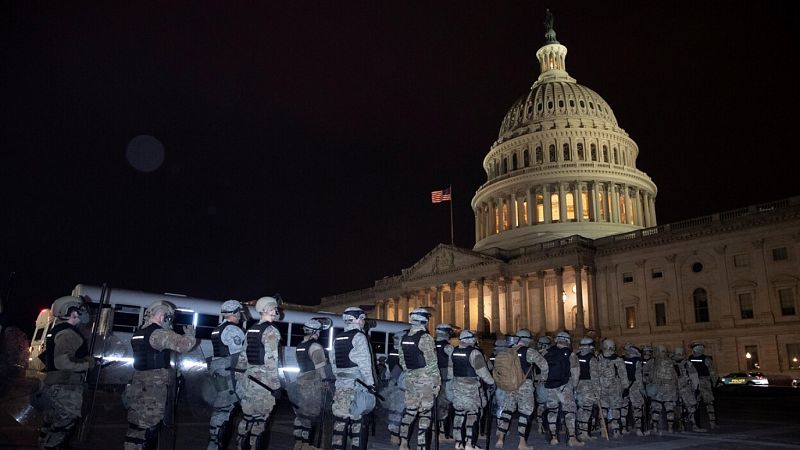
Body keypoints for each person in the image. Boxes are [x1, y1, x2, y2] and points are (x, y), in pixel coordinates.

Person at [124, 300, 197, 450]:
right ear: (164, 316)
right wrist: (190, 335)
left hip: (138, 383)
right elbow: (184, 346)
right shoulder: (158, 333)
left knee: (136, 426)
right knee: (150, 427)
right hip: (153, 388)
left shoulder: (139, 332)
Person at [38, 296, 95, 450]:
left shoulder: (57, 330)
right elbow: (62, 362)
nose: (84, 313)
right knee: (62, 429)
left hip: (54, 385)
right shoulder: (68, 334)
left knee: (49, 427)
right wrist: (88, 363)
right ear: (71, 312)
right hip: (65, 388)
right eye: (81, 309)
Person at [235, 296, 282, 450]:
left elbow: (242, 357)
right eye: (274, 308)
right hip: (263, 384)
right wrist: (275, 386)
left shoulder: (252, 329)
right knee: (260, 420)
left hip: (249, 380)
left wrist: (239, 379)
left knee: (247, 417)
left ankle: (240, 444)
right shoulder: (271, 331)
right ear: (267, 310)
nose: (276, 311)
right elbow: (271, 361)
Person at [330, 307, 377, 450]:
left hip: (341, 385)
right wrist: (371, 384)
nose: (363, 321)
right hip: (357, 385)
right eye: (362, 318)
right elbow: (365, 363)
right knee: (358, 421)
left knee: (340, 422)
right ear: (355, 319)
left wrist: (339, 379)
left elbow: (333, 362)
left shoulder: (337, 337)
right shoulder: (359, 337)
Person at [495, 329, 548, 450]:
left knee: (507, 411)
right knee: (524, 413)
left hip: (510, 386)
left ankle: (500, 439)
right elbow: (544, 365)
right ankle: (522, 443)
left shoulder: (508, 351)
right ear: (527, 340)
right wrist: (542, 379)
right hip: (525, 386)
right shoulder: (530, 352)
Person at [398, 308, 441, 450]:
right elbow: (432, 363)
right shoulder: (425, 337)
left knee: (409, 411)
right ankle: (421, 445)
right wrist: (437, 383)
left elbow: (402, 361)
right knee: (425, 413)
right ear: (424, 321)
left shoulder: (403, 338)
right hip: (425, 380)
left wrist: (411, 373)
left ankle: (403, 442)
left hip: (410, 378)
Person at [206, 300, 246, 450]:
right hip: (230, 372)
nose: (241, 316)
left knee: (221, 408)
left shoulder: (217, 329)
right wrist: (241, 378)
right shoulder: (233, 330)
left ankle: (213, 442)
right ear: (234, 313)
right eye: (239, 312)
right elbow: (238, 356)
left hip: (219, 371)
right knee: (228, 409)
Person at [290, 318, 333, 450]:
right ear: (315, 332)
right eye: (319, 331)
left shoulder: (300, 345)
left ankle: (298, 443)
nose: (319, 334)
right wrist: (326, 381)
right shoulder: (315, 346)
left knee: (300, 416)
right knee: (311, 417)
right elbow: (320, 367)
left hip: (300, 381)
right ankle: (307, 445)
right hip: (312, 384)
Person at [450, 330, 495, 450]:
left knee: (459, 414)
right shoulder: (474, 353)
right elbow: (482, 371)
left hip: (457, 388)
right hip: (471, 390)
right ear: (471, 340)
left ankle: (458, 442)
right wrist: (491, 382)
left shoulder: (454, 351)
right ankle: (470, 444)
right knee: (472, 416)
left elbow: (451, 371)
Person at [543, 331, 583, 447]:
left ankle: (553, 437)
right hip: (565, 386)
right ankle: (572, 438)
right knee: (569, 411)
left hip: (550, 386)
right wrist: (574, 386)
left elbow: (543, 369)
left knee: (552, 411)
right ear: (567, 341)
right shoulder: (570, 354)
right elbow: (575, 372)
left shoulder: (547, 352)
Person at [643, 345, 677, 435]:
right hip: (669, 388)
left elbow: (645, 373)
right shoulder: (671, 361)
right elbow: (676, 375)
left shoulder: (652, 361)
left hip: (657, 388)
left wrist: (648, 383)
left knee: (656, 408)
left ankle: (655, 427)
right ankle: (670, 428)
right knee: (670, 409)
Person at [597, 338, 626, 438]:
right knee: (612, 410)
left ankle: (605, 430)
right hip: (611, 389)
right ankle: (614, 431)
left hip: (608, 388)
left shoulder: (599, 359)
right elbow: (623, 375)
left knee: (609, 410)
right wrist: (624, 387)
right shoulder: (617, 360)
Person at [574, 337, 600, 442]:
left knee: (580, 409)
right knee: (587, 409)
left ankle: (580, 432)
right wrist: (597, 391)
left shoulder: (575, 357)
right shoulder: (592, 358)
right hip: (588, 386)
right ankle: (584, 433)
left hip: (578, 385)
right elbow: (595, 376)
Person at [673, 347, 704, 433]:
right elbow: (694, 377)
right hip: (685, 389)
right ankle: (692, 425)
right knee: (691, 407)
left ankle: (682, 426)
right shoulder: (687, 363)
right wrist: (696, 388)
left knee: (680, 408)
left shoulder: (672, 363)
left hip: (677, 389)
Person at [689, 341, 717, 429]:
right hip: (702, 382)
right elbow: (712, 372)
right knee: (708, 403)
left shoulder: (690, 358)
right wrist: (714, 382)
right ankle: (711, 422)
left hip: (696, 382)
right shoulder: (706, 359)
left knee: (697, 403)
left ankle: (696, 423)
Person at [434, 323, 455, 441]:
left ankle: (434, 432)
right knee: (444, 406)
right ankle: (443, 434)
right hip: (445, 379)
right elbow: (452, 364)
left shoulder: (431, 345)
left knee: (434, 405)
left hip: (433, 379)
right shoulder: (448, 347)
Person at [385, 333, 406, 445]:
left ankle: (393, 436)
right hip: (400, 385)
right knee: (399, 411)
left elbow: (388, 368)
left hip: (393, 383)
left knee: (393, 410)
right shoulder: (403, 351)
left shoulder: (393, 350)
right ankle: (397, 436)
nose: (395, 341)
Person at [621, 343, 645, 436]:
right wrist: (642, 390)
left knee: (623, 408)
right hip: (634, 386)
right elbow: (638, 376)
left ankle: (623, 428)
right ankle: (638, 429)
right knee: (637, 407)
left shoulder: (622, 359)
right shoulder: (637, 361)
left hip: (623, 386)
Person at [534, 335, 551, 436]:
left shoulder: (536, 356)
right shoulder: (549, 356)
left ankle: (540, 426)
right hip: (547, 382)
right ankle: (547, 425)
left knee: (540, 405)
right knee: (549, 405)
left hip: (538, 382)